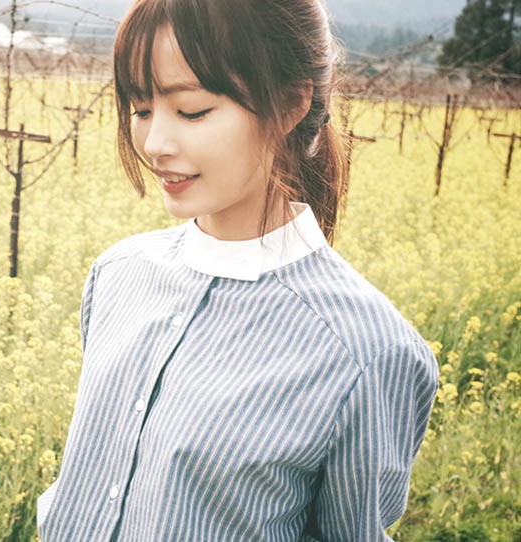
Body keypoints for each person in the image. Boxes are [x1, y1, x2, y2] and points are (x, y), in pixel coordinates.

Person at [37, 0, 440, 540]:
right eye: (141, 108)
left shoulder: (366, 352)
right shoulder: (117, 275)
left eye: (192, 110)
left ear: (291, 104)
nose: (154, 144)